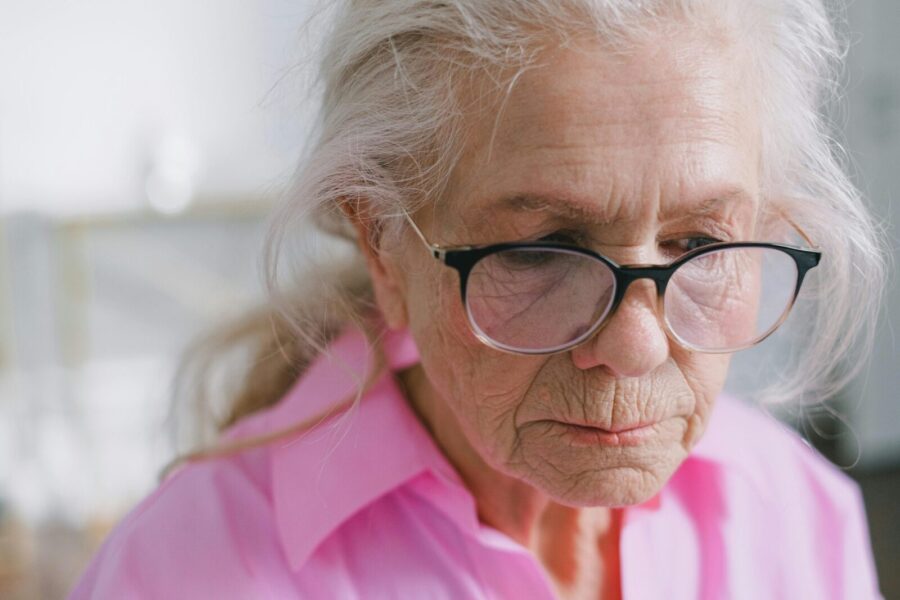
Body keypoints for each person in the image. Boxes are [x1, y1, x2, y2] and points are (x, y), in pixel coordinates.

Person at [70, 0, 886, 598]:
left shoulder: (797, 516)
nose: (636, 346)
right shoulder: (182, 571)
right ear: (384, 246)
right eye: (542, 251)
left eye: (702, 244)